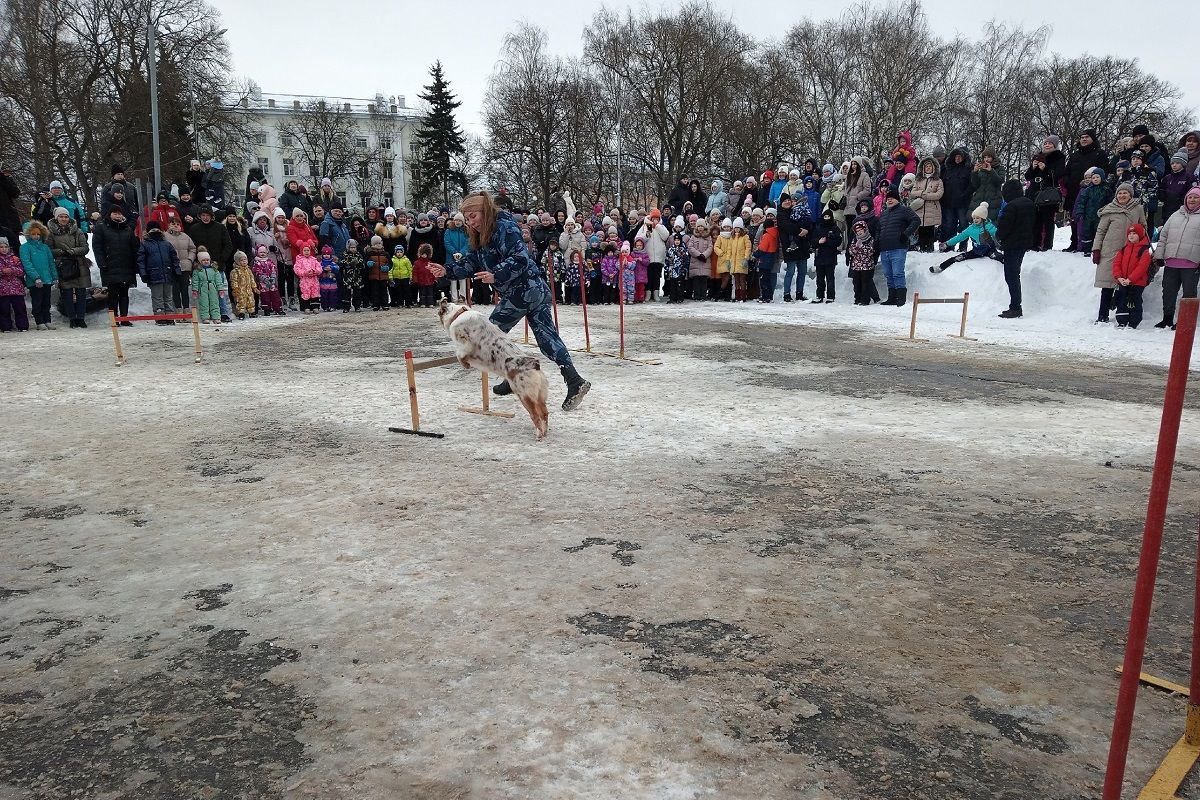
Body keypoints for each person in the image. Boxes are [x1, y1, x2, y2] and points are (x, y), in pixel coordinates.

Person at [432, 191, 590, 410]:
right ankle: (574, 380)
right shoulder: (481, 235)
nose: (470, 222)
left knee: (491, 333)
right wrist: (446, 271)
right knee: (546, 339)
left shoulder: (504, 227)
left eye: (473, 216)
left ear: (485, 211)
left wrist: (496, 274)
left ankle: (513, 374)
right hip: (533, 290)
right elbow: (471, 262)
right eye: (467, 218)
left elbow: (520, 258)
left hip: (523, 290)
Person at [1093, 183, 1147, 324]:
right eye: (1119, 193)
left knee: (1126, 285)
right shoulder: (1109, 210)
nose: (1122, 195)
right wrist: (1096, 249)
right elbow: (1101, 231)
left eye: (1125, 193)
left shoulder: (1138, 209)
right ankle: (1102, 315)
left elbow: (1143, 228)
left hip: (1131, 252)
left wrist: (1143, 247)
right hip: (1109, 251)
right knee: (1107, 284)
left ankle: (1123, 315)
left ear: (1130, 194)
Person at [1153, 187, 1200, 329]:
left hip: (1192, 264)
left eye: (1196, 197)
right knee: (1168, 292)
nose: (1192, 200)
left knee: (1189, 295)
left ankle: (1185, 321)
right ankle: (1167, 318)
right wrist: (1159, 255)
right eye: (1190, 197)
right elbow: (1164, 236)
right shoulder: (1175, 215)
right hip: (1171, 262)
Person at [994, 180, 1036, 318]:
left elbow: (1004, 228)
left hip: (1012, 245)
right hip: (1024, 243)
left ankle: (1015, 307)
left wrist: (999, 238)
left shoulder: (1010, 207)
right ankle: (1015, 306)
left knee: (1011, 276)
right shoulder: (1029, 203)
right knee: (1014, 274)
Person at [1063, 130, 1109, 252]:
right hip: (1074, 192)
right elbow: (1066, 172)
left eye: (1087, 137)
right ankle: (1074, 243)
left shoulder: (1100, 154)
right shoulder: (1074, 155)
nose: (1083, 139)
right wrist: (1068, 182)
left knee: (1092, 221)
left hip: (1094, 194)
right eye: (1082, 137)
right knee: (1075, 218)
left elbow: (1104, 171)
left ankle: (1093, 245)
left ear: (1093, 139)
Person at [876, 190, 919, 306]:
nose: (889, 200)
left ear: (897, 199)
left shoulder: (904, 210)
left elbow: (916, 220)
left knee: (897, 272)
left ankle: (901, 298)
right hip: (884, 248)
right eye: (888, 198)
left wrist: (906, 234)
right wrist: (877, 240)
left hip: (898, 247)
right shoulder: (884, 214)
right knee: (888, 274)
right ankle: (892, 298)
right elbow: (878, 229)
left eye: (892, 198)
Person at [931, 203, 996, 273]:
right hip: (976, 251)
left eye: (978, 218)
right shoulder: (970, 229)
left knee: (999, 257)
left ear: (983, 218)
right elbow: (960, 237)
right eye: (974, 218)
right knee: (956, 258)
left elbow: (998, 234)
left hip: (989, 250)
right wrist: (947, 244)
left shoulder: (988, 226)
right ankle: (941, 267)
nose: (975, 220)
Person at [137, 220, 181, 322]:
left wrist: (177, 271)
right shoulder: (145, 244)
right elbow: (141, 260)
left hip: (167, 273)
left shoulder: (167, 244)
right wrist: (143, 273)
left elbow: (174, 259)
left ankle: (170, 316)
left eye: (157, 229)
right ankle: (160, 316)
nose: (155, 231)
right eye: (152, 229)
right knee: (157, 297)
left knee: (168, 296)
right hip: (153, 274)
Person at [1111, 224, 1151, 329]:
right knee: (1121, 301)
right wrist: (1119, 277)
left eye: (1134, 234)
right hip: (1123, 281)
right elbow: (1116, 264)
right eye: (1130, 234)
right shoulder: (1124, 249)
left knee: (1134, 301)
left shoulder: (1144, 250)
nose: (1131, 236)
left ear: (1140, 235)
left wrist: (1130, 279)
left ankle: (1133, 322)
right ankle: (1121, 321)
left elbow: (1142, 267)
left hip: (1137, 283)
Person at [20, 221, 58, 330]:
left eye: (38, 234)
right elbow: (27, 264)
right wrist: (36, 277)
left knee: (46, 301)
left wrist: (54, 277)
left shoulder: (45, 247)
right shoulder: (25, 248)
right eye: (33, 234)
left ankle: (47, 320)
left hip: (47, 279)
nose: (36, 236)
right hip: (34, 281)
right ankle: (39, 321)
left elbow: (51, 263)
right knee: (37, 301)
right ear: (28, 234)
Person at [909, 157, 944, 252]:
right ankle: (922, 247)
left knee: (930, 229)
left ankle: (929, 248)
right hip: (920, 209)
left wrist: (925, 195)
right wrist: (921, 193)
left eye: (930, 166)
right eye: (926, 166)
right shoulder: (918, 180)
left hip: (931, 208)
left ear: (934, 168)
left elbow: (938, 194)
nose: (928, 168)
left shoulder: (938, 181)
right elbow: (912, 193)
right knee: (921, 229)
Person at [811, 209, 842, 303]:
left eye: (828, 217)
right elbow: (812, 241)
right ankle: (819, 296)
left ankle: (830, 296)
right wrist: (818, 242)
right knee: (820, 279)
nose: (827, 218)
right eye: (825, 217)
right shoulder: (818, 228)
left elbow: (838, 241)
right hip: (819, 256)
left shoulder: (835, 228)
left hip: (830, 257)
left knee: (830, 278)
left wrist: (827, 241)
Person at [190, 249, 226, 324]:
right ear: (200, 261)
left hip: (212, 287)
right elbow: (195, 281)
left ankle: (216, 317)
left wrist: (220, 289)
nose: (206, 261)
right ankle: (205, 317)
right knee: (204, 303)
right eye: (203, 260)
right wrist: (195, 290)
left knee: (214, 302)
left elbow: (218, 280)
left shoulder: (214, 269)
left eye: (207, 260)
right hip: (203, 288)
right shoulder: (198, 270)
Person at [0, 240, 28, 332]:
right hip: (2, 288)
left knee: (20, 308)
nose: (4, 249)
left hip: (16, 287)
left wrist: (11, 270)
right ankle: (5, 327)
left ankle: (23, 326)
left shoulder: (15, 258)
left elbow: (21, 271)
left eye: (5, 247)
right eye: (1, 247)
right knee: (4, 309)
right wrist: (3, 271)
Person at [848, 220, 878, 306]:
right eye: (857, 231)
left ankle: (865, 300)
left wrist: (862, 247)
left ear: (864, 229)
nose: (859, 232)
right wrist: (856, 247)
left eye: (860, 230)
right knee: (856, 283)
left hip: (866, 265)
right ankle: (857, 299)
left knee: (865, 283)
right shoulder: (855, 239)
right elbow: (851, 251)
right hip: (856, 265)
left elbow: (871, 252)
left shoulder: (870, 239)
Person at [969, 151, 1003, 223]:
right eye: (984, 157)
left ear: (993, 158)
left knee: (991, 223)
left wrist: (991, 171)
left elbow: (999, 181)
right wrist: (974, 172)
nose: (986, 159)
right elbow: (975, 185)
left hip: (993, 200)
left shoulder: (1000, 168)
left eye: (988, 157)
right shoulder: (981, 169)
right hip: (979, 200)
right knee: (977, 223)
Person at [253, 244, 284, 316]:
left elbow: (274, 269)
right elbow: (257, 271)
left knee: (275, 295)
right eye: (261, 252)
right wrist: (263, 278)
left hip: (272, 282)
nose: (262, 254)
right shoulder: (257, 262)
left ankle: (278, 308)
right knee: (265, 296)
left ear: (267, 252)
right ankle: (266, 309)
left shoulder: (269, 261)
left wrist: (273, 277)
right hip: (263, 283)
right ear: (257, 253)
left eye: (264, 252)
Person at [292, 244, 322, 314]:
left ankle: (315, 307)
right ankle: (306, 307)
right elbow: (297, 270)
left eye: (308, 250)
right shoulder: (299, 260)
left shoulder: (313, 259)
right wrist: (305, 272)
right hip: (305, 281)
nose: (306, 252)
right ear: (301, 251)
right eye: (304, 250)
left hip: (314, 280)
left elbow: (319, 268)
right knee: (306, 294)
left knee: (315, 293)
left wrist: (315, 271)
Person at [364, 235, 391, 310]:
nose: (378, 245)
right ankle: (376, 304)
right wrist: (368, 264)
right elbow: (365, 263)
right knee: (375, 291)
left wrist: (387, 267)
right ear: (372, 245)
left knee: (384, 291)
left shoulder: (385, 254)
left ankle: (385, 304)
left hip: (383, 276)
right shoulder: (370, 254)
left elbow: (390, 263)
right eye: (375, 244)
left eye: (379, 243)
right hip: (374, 276)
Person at [317, 247, 339, 312]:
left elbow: (337, 268)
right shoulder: (320, 263)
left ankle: (332, 306)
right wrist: (324, 269)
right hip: (323, 283)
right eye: (324, 254)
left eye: (328, 254)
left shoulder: (333, 262)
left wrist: (331, 268)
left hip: (332, 283)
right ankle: (325, 307)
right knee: (324, 295)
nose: (326, 256)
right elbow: (318, 269)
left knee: (333, 295)